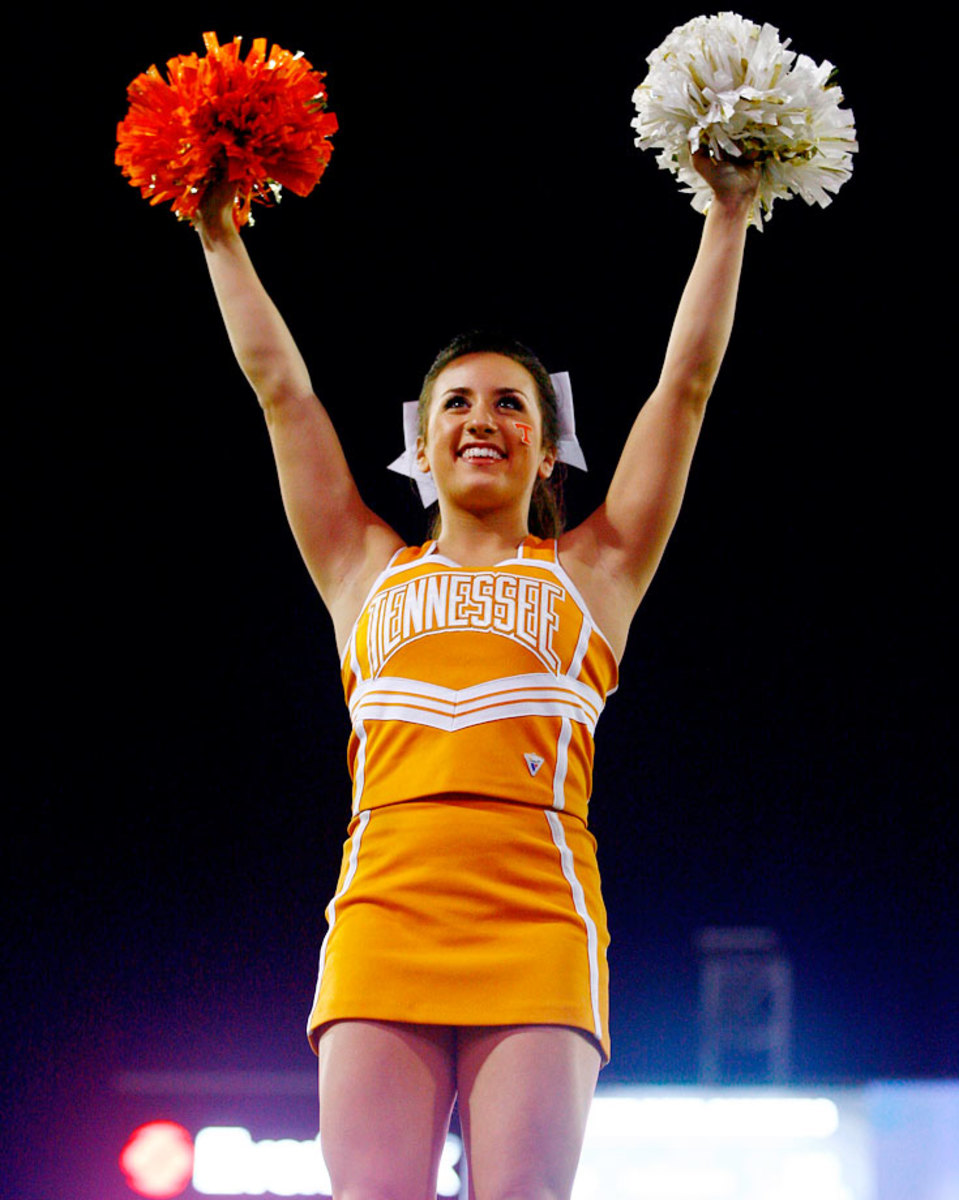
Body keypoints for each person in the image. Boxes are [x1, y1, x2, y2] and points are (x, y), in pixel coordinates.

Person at [194, 149, 760, 1200]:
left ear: (547, 451)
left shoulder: (595, 572)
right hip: (382, 912)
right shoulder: (360, 569)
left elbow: (682, 391)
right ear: (422, 444)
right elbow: (280, 392)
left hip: (536, 914)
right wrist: (218, 233)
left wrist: (725, 213)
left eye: (509, 405)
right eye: (455, 403)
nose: (480, 420)